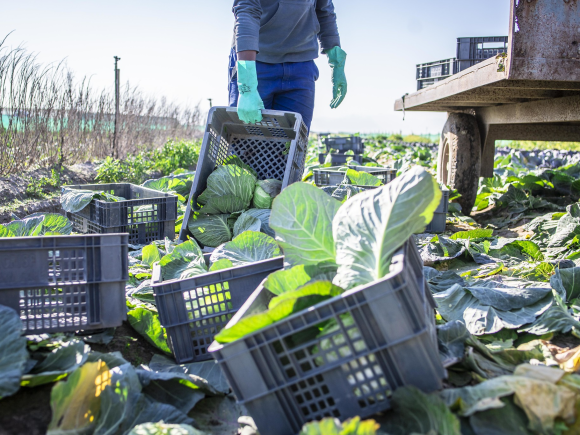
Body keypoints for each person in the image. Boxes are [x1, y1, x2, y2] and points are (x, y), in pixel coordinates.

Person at [229, 0, 347, 131]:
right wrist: (247, 86)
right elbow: (247, 10)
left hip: (301, 65)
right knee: (246, 140)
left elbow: (324, 10)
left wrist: (336, 61)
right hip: (255, 62)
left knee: (293, 141)